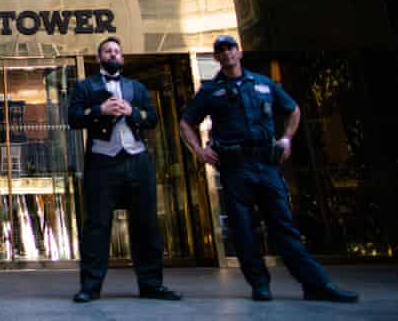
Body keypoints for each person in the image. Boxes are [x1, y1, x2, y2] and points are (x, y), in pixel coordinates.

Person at [179, 35, 359, 303]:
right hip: (234, 166)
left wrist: (286, 138)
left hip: (266, 164)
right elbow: (186, 122)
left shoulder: (262, 83)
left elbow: (293, 110)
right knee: (243, 229)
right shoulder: (210, 91)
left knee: (283, 225)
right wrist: (200, 150)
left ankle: (315, 284)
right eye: (221, 51)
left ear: (239, 53)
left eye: (230, 49)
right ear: (216, 57)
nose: (227, 54)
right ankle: (259, 284)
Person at [67, 36, 181, 303]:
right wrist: (100, 109)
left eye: (117, 51)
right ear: (99, 58)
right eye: (107, 51)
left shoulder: (136, 87)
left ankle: (151, 284)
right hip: (102, 162)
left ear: (123, 57)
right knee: (97, 226)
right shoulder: (86, 86)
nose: (113, 54)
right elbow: (73, 119)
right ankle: (90, 287)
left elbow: (152, 118)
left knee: (146, 225)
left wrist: (131, 111)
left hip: (137, 161)